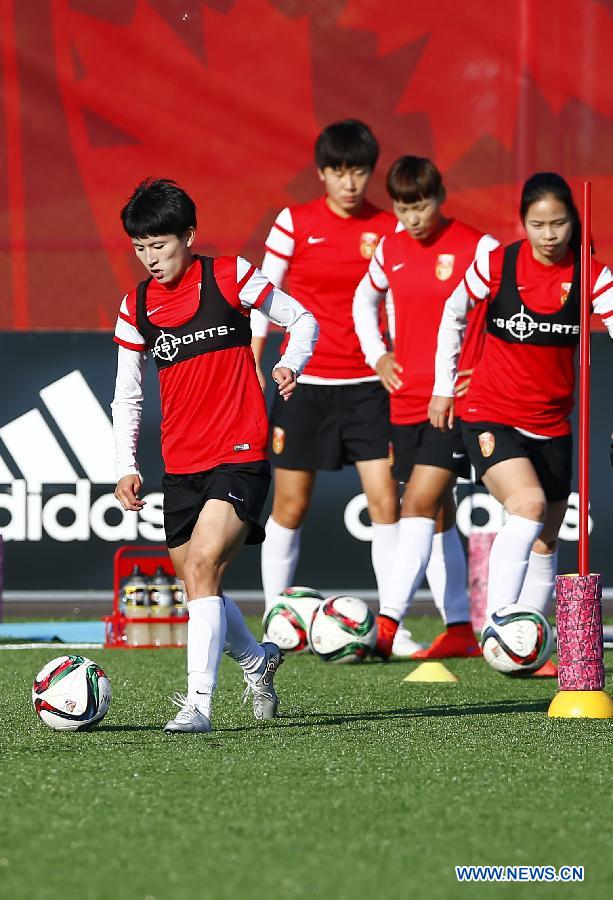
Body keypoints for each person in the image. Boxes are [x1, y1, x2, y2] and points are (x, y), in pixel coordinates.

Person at [111, 178, 318, 733]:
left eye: (161, 245)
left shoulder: (229, 275)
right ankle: (257, 659)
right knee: (199, 585)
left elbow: (302, 319)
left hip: (240, 451)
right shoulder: (136, 306)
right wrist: (125, 464)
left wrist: (291, 364)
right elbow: (128, 393)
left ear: (189, 235)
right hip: (181, 465)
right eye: (140, 248)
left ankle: (198, 706)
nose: (151, 258)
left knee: (202, 567)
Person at [429, 171, 613, 674]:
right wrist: (445, 384)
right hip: (491, 411)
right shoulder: (496, 264)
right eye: (538, 224)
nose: (549, 235)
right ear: (523, 224)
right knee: (527, 506)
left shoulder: (592, 274)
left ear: (574, 222)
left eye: (558, 223)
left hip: (552, 422)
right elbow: (453, 313)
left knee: (546, 538)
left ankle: (532, 640)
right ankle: (499, 625)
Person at [251, 119, 422, 657]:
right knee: (291, 505)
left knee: (385, 501)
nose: (350, 183)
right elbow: (265, 291)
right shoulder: (294, 222)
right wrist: (258, 357)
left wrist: (401, 355)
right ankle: (275, 620)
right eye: (339, 171)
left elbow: (397, 296)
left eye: (360, 172)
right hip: (303, 384)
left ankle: (392, 626)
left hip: (370, 387)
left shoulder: (388, 226)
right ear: (322, 172)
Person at [353, 156, 498, 659]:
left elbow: (509, 304)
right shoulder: (389, 248)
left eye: (421, 205)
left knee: (415, 504)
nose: (413, 218)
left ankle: (387, 627)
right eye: (402, 207)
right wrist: (378, 355)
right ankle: (459, 625)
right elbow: (361, 301)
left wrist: (482, 368)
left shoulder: (478, 247)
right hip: (407, 399)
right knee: (436, 514)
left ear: (440, 197)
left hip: (456, 402)